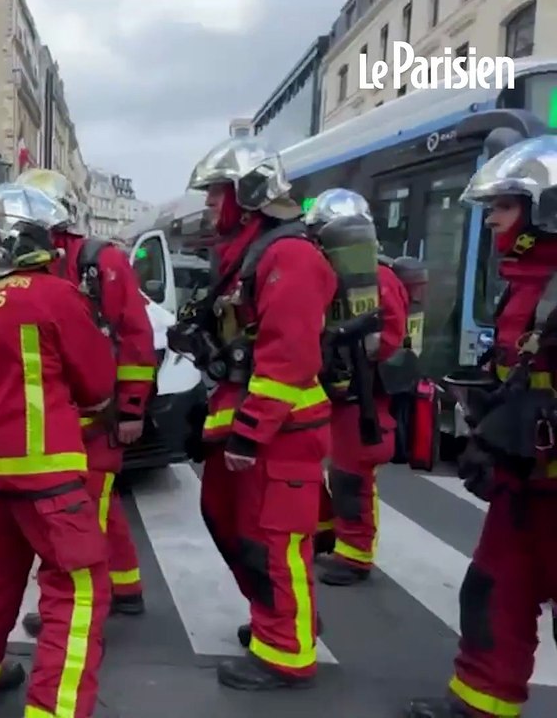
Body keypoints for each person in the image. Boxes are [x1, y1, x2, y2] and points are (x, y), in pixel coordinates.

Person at [0, 183, 114, 715]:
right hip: (52, 479)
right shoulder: (56, 296)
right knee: (77, 593)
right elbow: (97, 386)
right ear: (28, 240)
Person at [171, 136, 336, 690]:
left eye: (217, 192)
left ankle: (287, 651)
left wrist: (249, 433)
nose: (209, 203)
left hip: (279, 429)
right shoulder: (250, 253)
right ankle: (278, 622)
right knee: (229, 522)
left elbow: (288, 357)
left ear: (247, 194)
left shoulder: (289, 255)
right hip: (247, 417)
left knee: (273, 540)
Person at [405, 134, 557, 718]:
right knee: (494, 587)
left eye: (504, 206)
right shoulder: (525, 282)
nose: (490, 219)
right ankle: (481, 702)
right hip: (525, 480)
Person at [16, 167, 157, 634]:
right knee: (101, 506)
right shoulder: (34, 263)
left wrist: (131, 408)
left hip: (97, 415)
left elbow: (136, 336)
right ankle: (126, 588)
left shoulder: (99, 261)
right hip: (63, 417)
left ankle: (80, 613)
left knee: (80, 521)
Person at [304, 189, 411, 587]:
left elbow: (389, 338)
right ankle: (327, 530)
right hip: (330, 386)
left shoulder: (378, 278)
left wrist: (346, 356)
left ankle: (356, 554)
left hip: (361, 392)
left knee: (353, 472)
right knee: (317, 464)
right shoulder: (329, 274)